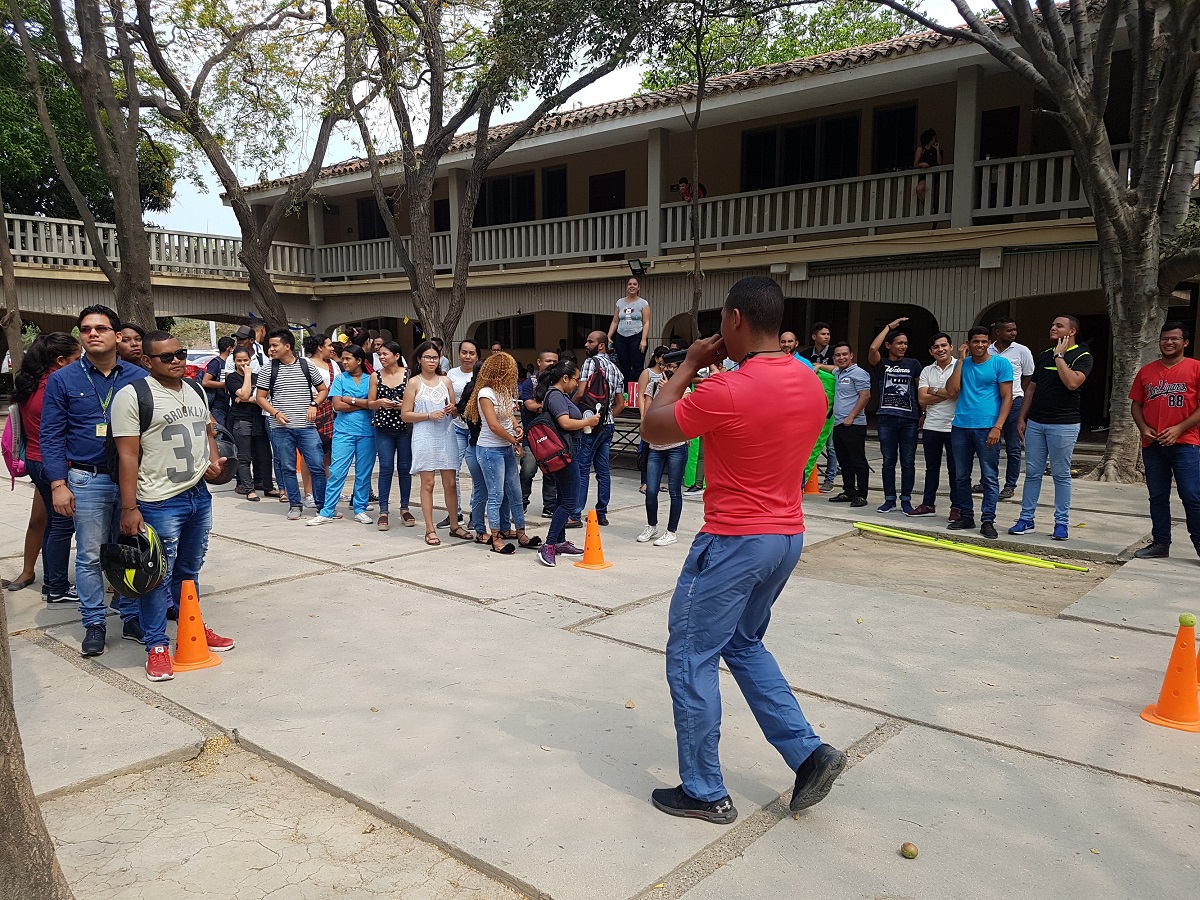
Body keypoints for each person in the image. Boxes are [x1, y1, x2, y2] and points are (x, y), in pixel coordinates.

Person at [641, 275, 844, 825]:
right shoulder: (810, 382)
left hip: (734, 540)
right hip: (786, 537)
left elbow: (654, 428)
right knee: (744, 644)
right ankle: (808, 753)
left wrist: (685, 367)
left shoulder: (723, 390)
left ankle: (704, 789)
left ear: (734, 320)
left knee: (691, 657)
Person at [111, 330, 233, 681]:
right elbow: (127, 454)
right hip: (158, 500)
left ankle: (191, 626)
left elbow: (207, 430)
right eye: (166, 357)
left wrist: (213, 461)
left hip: (197, 495)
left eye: (179, 353)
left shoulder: (196, 389)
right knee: (155, 577)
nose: (176, 360)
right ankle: (156, 645)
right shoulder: (133, 395)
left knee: (189, 571)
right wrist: (129, 507)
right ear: (147, 362)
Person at [41, 305, 149, 656]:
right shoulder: (63, 379)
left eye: (100, 328)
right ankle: (94, 623)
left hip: (134, 479)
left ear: (116, 336)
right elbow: (52, 436)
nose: (92, 334)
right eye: (85, 329)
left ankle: (131, 616)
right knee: (89, 557)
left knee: (131, 551)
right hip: (88, 480)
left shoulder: (138, 377)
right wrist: (58, 483)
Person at [1008, 315, 1093, 540]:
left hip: (1064, 424)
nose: (1053, 327)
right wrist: (1021, 418)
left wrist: (1060, 356)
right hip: (1036, 423)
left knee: (1061, 474)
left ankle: (1061, 523)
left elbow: (1072, 382)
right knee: (1032, 473)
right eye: (1052, 324)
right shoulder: (1044, 354)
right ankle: (1026, 518)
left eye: (1059, 326)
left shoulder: (1083, 356)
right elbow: (1032, 389)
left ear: (1072, 331)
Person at [14, 332, 80, 602]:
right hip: (55, 464)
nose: (81, 363)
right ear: (61, 360)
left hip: (35, 460)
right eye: (78, 358)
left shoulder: (32, 384)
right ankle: (57, 586)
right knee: (62, 527)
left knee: (53, 524)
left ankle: (52, 583)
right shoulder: (56, 385)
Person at [1128, 322, 1200, 559]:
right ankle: (1161, 543)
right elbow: (1136, 404)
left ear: (1185, 342)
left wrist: (1179, 429)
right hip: (1153, 444)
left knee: (1191, 494)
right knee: (1157, 495)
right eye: (1164, 339)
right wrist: (1143, 428)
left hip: (1186, 443)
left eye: (1174, 339)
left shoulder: (1195, 368)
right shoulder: (1147, 371)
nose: (1168, 343)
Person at [464, 352, 540, 554]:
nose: (513, 373)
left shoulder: (504, 391)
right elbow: (493, 425)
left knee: (515, 492)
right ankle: (496, 538)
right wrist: (513, 439)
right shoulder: (485, 393)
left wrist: (517, 428)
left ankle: (521, 533)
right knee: (496, 494)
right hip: (490, 450)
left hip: (505, 448)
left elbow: (508, 418)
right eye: (510, 370)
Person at [945, 326, 1013, 539]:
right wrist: (961, 361)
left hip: (987, 427)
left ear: (989, 342)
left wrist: (998, 426)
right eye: (976, 342)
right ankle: (966, 515)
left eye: (984, 341)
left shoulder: (1000, 364)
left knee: (990, 477)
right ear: (968, 343)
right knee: (960, 476)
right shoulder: (961, 364)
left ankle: (988, 520)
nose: (980, 345)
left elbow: (1007, 397)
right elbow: (952, 390)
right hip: (961, 426)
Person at [403, 340, 472, 545]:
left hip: (446, 433)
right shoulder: (414, 382)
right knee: (429, 483)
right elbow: (405, 415)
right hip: (424, 434)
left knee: (450, 483)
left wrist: (453, 409)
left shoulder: (446, 381)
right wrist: (427, 415)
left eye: (435, 357)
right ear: (419, 359)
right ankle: (430, 529)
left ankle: (454, 525)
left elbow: (454, 411)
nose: (431, 361)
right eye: (427, 357)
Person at [255, 328, 329, 521]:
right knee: (287, 468)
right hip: (280, 429)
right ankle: (295, 504)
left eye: (274, 345)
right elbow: (260, 397)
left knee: (317, 466)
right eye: (269, 346)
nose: (270, 349)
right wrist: (275, 413)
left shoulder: (306, 365)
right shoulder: (268, 369)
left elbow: (322, 390)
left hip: (307, 427)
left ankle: (322, 506)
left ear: (287, 346)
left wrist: (314, 405)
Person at [534, 361, 597, 567]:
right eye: (576, 379)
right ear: (565, 378)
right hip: (563, 455)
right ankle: (549, 544)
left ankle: (559, 542)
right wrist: (588, 422)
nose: (577, 383)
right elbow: (565, 423)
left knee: (563, 497)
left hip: (567, 452)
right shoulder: (556, 396)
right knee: (570, 502)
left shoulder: (558, 395)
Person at [308, 345, 376, 526]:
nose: (344, 362)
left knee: (363, 472)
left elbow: (373, 403)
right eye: (343, 359)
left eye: (348, 359)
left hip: (367, 432)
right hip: (343, 431)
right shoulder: (339, 379)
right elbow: (337, 406)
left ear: (359, 361)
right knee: (337, 471)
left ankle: (360, 508)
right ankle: (327, 510)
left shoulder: (371, 379)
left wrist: (350, 400)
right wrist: (363, 404)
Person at [570, 331, 626, 528]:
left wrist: (569, 411)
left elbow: (581, 392)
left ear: (601, 345)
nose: (586, 344)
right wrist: (606, 417)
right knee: (603, 471)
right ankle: (601, 513)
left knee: (582, 468)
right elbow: (621, 403)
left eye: (590, 341)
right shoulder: (616, 370)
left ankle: (575, 514)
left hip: (589, 425)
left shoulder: (590, 363)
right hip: (607, 424)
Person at [868, 317, 922, 514]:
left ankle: (906, 499)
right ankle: (889, 498)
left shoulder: (914, 364)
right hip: (886, 419)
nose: (903, 346)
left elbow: (919, 390)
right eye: (899, 343)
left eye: (906, 343)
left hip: (909, 420)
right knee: (888, 461)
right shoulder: (881, 364)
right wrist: (889, 327)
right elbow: (873, 349)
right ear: (889, 344)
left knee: (908, 461)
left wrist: (923, 413)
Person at [983, 318, 1035, 500]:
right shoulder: (986, 349)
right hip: (990, 402)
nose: (1013, 333)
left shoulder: (1022, 351)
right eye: (1009, 330)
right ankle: (987, 482)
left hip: (1013, 402)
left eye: (1015, 330)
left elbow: (1028, 375)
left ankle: (1010, 485)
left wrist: (1015, 391)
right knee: (990, 444)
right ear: (997, 332)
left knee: (1013, 446)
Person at [639, 360, 687, 547]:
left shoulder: (685, 390)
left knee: (674, 490)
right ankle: (652, 525)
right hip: (655, 447)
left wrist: (671, 392)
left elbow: (682, 412)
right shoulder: (652, 386)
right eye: (666, 367)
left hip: (676, 446)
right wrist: (662, 393)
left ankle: (671, 531)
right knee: (651, 490)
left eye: (674, 367)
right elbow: (651, 413)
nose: (669, 370)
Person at [369, 340, 415, 530]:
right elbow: (370, 403)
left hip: (405, 428)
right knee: (386, 467)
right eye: (379, 354)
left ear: (397, 356)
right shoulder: (375, 376)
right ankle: (384, 511)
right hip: (383, 427)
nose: (381, 357)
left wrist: (402, 405)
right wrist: (380, 402)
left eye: (385, 354)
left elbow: (416, 399)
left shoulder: (409, 374)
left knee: (405, 468)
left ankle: (404, 508)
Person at [913, 332, 960, 519]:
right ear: (931, 351)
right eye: (936, 347)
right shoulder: (927, 370)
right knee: (931, 468)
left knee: (955, 469)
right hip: (932, 425)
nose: (940, 349)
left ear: (951, 347)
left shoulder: (959, 366)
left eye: (944, 345)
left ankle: (956, 507)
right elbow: (922, 397)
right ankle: (927, 504)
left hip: (954, 426)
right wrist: (944, 392)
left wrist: (936, 391)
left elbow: (956, 392)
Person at [225, 346, 272, 502]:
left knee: (264, 455)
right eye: (239, 361)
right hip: (241, 420)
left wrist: (248, 399)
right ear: (234, 362)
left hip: (259, 419)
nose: (243, 363)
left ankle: (267, 486)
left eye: (245, 360)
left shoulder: (259, 377)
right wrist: (247, 376)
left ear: (250, 360)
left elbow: (264, 397)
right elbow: (245, 394)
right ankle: (248, 489)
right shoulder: (232, 378)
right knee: (244, 457)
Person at [828, 342, 871, 507]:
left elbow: (865, 396)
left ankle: (861, 494)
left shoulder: (859, 373)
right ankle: (848, 491)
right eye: (837, 355)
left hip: (854, 424)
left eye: (844, 354)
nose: (841, 357)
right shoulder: (839, 372)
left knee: (857, 460)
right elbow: (830, 368)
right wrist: (817, 366)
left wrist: (851, 417)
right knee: (844, 460)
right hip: (839, 423)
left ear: (851, 355)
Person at [300, 334, 340, 508]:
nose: (332, 348)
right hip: (313, 412)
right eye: (329, 345)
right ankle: (308, 492)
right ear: (319, 347)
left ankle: (326, 490)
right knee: (310, 452)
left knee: (328, 453)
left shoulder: (334, 364)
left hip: (332, 413)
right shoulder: (306, 364)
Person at [444, 339, 479, 528]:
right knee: (452, 472)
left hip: (476, 431)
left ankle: (476, 513)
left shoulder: (482, 374)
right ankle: (454, 514)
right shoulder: (451, 374)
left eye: (472, 353)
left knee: (476, 473)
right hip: (456, 427)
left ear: (477, 356)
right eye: (464, 352)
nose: (467, 357)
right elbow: (449, 399)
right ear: (458, 354)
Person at [520, 349, 559, 513]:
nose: (551, 364)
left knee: (551, 473)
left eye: (554, 362)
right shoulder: (530, 383)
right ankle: (521, 503)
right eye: (548, 361)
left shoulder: (559, 382)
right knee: (527, 472)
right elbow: (529, 405)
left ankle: (549, 506)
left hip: (553, 436)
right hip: (532, 436)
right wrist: (552, 406)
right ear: (539, 362)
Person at [608, 277, 651, 386]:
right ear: (627, 287)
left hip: (636, 336)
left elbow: (646, 322)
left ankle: (638, 391)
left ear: (638, 287)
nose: (632, 286)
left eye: (634, 284)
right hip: (621, 337)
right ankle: (625, 391)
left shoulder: (643, 303)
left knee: (637, 366)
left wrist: (643, 339)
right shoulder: (620, 302)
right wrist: (608, 336)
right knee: (624, 366)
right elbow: (615, 321)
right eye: (630, 284)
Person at [202, 336, 235, 430]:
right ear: (229, 348)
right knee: (219, 430)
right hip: (217, 403)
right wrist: (227, 384)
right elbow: (205, 382)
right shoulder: (216, 363)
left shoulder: (229, 363)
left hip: (227, 402)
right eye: (234, 347)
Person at [914, 128, 941, 206]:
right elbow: (915, 164)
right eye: (934, 138)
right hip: (924, 176)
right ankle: (927, 207)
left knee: (936, 198)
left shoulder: (935, 150)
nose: (935, 140)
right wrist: (921, 164)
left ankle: (932, 209)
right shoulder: (921, 150)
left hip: (935, 177)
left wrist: (938, 150)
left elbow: (939, 163)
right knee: (920, 189)